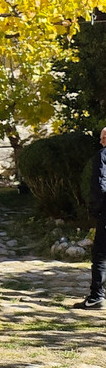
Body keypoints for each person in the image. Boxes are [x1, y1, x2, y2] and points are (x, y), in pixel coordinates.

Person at [75, 127, 106, 309]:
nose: (100, 142)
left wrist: (96, 210)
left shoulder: (103, 155)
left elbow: (100, 185)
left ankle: (96, 297)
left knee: (100, 255)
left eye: (103, 138)